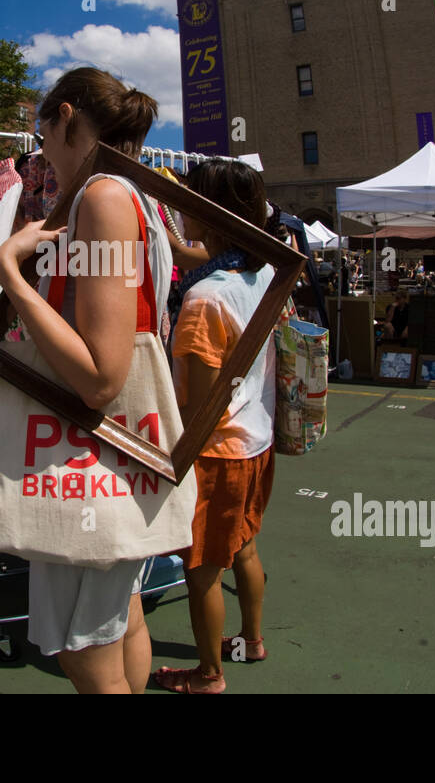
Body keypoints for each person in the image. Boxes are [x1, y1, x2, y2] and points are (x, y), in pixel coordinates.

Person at [0, 67, 178, 694]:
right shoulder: (135, 197)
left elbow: (101, 377)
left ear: (64, 117)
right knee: (119, 618)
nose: (40, 151)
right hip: (117, 460)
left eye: (43, 133)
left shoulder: (101, 198)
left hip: (89, 456)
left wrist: (11, 273)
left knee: (83, 651)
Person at [154, 158, 277, 695]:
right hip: (256, 440)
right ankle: (251, 640)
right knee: (244, 547)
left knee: (202, 567)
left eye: (191, 202)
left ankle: (208, 675)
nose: (183, 212)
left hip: (217, 452)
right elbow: (192, 254)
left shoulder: (203, 301)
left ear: (213, 212)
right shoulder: (262, 272)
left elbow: (198, 410)